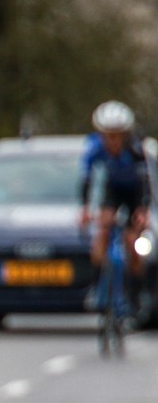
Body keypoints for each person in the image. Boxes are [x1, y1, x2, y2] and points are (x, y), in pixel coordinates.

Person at [80, 100, 150, 309]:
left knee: (132, 241)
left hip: (134, 193)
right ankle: (95, 286)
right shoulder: (95, 148)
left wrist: (143, 210)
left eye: (117, 135)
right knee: (102, 232)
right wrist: (85, 208)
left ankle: (136, 293)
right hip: (113, 191)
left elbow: (145, 182)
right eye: (108, 135)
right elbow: (87, 180)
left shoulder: (135, 149)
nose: (112, 141)